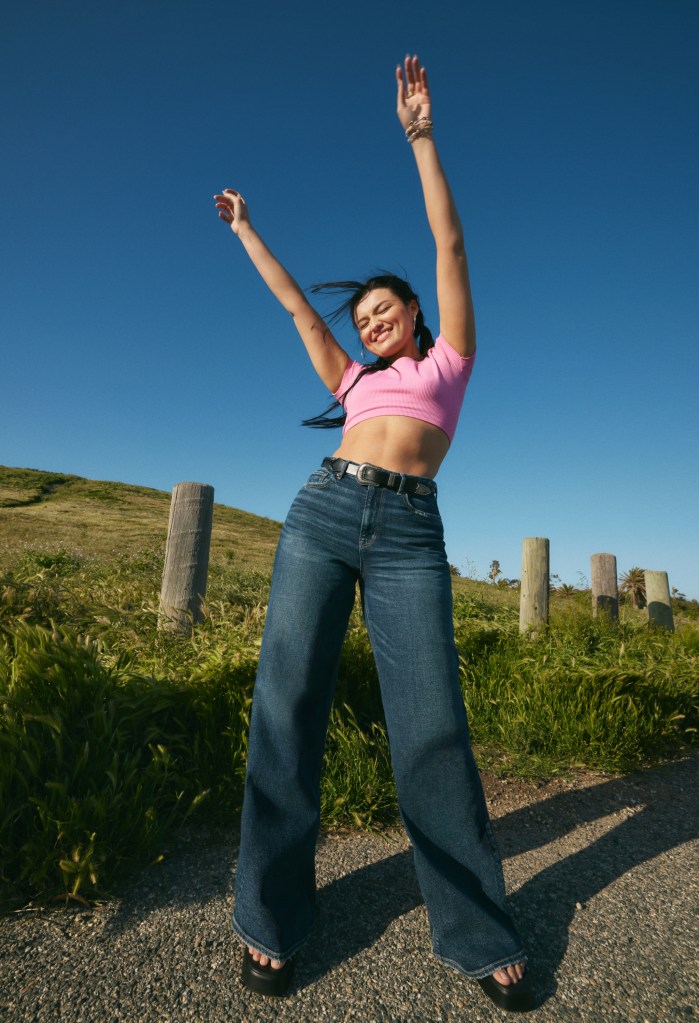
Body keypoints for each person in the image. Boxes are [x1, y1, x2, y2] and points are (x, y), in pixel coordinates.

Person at [213, 55, 533, 1014]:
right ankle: (269, 920)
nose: (370, 317)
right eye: (361, 316)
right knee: (288, 706)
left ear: (414, 317)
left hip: (406, 530)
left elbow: (451, 244)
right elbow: (292, 305)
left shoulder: (451, 362)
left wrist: (422, 139)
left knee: (431, 726)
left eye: (383, 307)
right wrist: (246, 229)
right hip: (319, 513)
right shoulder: (352, 382)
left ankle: (474, 928)